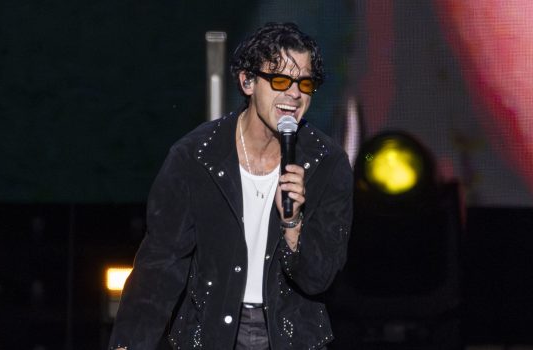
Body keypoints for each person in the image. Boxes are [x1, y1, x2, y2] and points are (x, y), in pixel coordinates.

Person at [108, 22, 353, 350]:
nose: (294, 94)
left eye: (304, 84)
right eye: (280, 80)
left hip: (291, 336)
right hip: (211, 332)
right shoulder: (196, 156)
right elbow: (161, 265)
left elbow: (318, 277)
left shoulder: (326, 163)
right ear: (247, 81)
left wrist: (293, 227)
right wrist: (129, 344)